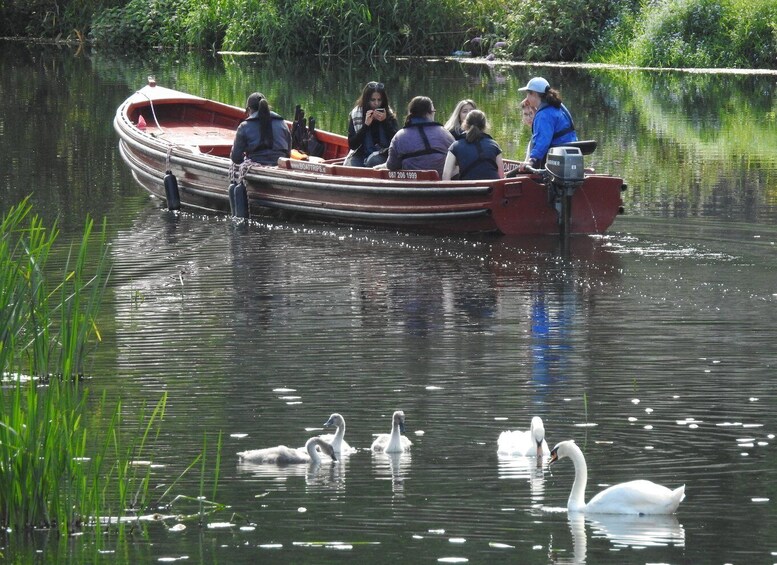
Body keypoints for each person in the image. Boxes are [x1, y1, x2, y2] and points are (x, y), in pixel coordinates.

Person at [517, 76, 577, 171]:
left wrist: (532, 160)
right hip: (569, 152)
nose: (526, 98)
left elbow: (542, 141)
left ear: (534, 94)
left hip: (558, 155)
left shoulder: (543, 115)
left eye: (528, 94)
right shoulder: (556, 107)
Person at [385, 96, 455, 177]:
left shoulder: (399, 136)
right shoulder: (444, 133)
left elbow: (392, 165)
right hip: (440, 181)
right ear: (429, 113)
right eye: (434, 111)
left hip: (413, 184)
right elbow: (458, 158)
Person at [344, 81, 399, 167]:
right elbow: (352, 145)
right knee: (350, 166)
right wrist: (366, 125)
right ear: (366, 100)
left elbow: (397, 141)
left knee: (373, 161)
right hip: (361, 154)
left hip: (384, 154)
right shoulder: (356, 114)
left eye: (379, 100)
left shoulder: (388, 114)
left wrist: (385, 122)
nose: (376, 103)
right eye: (373, 100)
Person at [230, 92, 291, 166]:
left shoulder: (244, 126)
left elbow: (236, 158)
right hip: (279, 165)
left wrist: (245, 160)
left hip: (256, 165)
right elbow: (288, 153)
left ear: (249, 109)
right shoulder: (282, 122)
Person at [442, 109, 504, 181]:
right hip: (492, 190)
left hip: (468, 190)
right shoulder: (494, 145)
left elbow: (446, 175)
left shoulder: (455, 146)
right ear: (485, 125)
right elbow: (501, 176)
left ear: (465, 124)